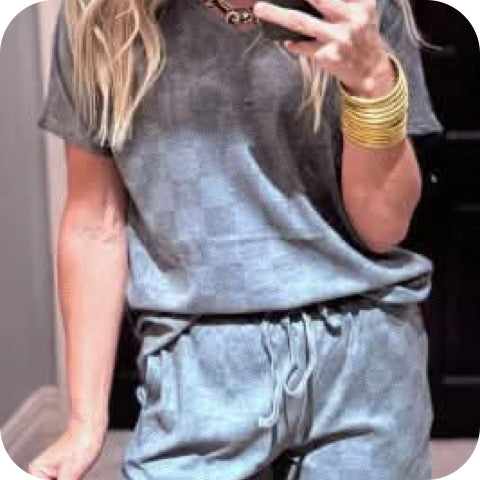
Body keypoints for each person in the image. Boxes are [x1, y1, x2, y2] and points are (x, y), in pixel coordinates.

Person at [30, 0, 443, 478]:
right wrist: (84, 422)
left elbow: (384, 227)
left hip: (363, 353)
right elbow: (94, 223)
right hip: (196, 368)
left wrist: (371, 82)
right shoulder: (99, 17)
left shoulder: (360, 8)